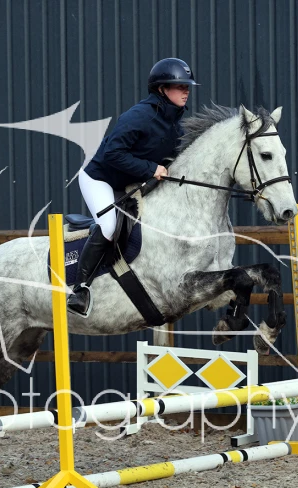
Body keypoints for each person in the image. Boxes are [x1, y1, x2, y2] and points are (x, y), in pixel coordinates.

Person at [67, 57, 199, 316]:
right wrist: (151, 169)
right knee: (109, 226)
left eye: (187, 87)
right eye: (180, 86)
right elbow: (113, 154)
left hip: (129, 180)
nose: (186, 91)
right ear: (162, 89)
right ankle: (80, 290)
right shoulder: (139, 116)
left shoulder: (176, 122)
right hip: (100, 178)